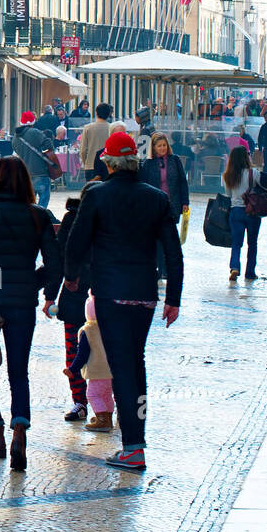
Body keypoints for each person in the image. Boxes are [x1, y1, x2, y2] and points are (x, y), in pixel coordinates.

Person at [64, 132, 183, 473]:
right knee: (136, 364)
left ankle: (133, 448)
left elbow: (77, 242)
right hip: (144, 294)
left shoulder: (98, 196)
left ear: (109, 162)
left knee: (121, 368)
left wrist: (72, 277)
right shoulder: (157, 198)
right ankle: (136, 441)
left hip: (111, 294)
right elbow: (173, 254)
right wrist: (172, 297)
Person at [0, 156, 61, 470]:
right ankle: (19, 431)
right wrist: (36, 283)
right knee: (19, 371)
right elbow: (55, 264)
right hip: (22, 301)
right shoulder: (39, 215)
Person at [48, 188, 94, 423]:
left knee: (107, 354)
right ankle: (79, 401)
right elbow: (59, 256)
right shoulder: (72, 218)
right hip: (75, 300)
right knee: (74, 352)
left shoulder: (110, 216)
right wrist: (49, 295)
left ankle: (107, 404)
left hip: (103, 298)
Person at [140, 133, 190, 277]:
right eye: (159, 146)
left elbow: (182, 182)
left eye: (164, 145)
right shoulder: (148, 164)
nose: (162, 148)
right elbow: (143, 184)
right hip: (155, 206)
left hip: (172, 204)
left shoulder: (175, 161)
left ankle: (167, 269)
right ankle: (157, 268)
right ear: (154, 148)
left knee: (169, 237)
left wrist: (185, 202)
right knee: (157, 239)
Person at [65, 294, 116, 432]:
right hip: (112, 371)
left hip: (97, 372)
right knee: (106, 395)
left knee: (92, 395)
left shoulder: (87, 330)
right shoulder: (111, 327)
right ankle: (107, 417)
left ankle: (102, 420)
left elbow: (82, 354)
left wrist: (72, 369)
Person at [223, 145, 267, 282]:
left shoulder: (228, 175)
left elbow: (228, 194)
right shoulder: (253, 173)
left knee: (236, 243)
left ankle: (234, 267)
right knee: (252, 243)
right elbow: (263, 187)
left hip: (235, 211)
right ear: (246, 157)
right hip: (252, 211)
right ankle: (250, 272)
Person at [13, 110, 54, 208]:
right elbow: (49, 145)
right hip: (40, 172)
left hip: (25, 174)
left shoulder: (15, 137)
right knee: (43, 199)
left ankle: (31, 218)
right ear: (32, 122)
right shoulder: (35, 132)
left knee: (29, 201)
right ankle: (39, 218)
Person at [78, 102, 112, 181]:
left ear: (96, 113)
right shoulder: (112, 128)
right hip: (108, 166)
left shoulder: (88, 128)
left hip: (90, 165)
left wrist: (86, 163)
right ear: (108, 114)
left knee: (92, 191)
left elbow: (83, 150)